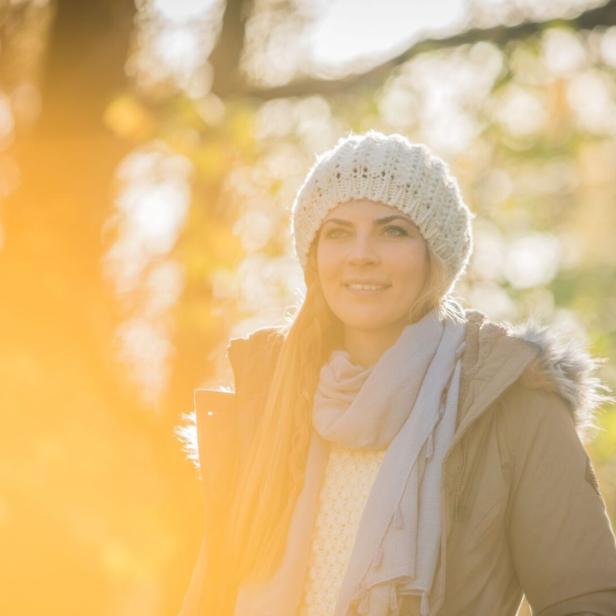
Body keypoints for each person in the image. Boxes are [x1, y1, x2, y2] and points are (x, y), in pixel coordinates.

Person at [179, 131, 616, 616]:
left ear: (435, 256)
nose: (361, 254)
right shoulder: (270, 403)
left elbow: (587, 600)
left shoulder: (509, 401)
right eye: (338, 232)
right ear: (314, 256)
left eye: (393, 230)